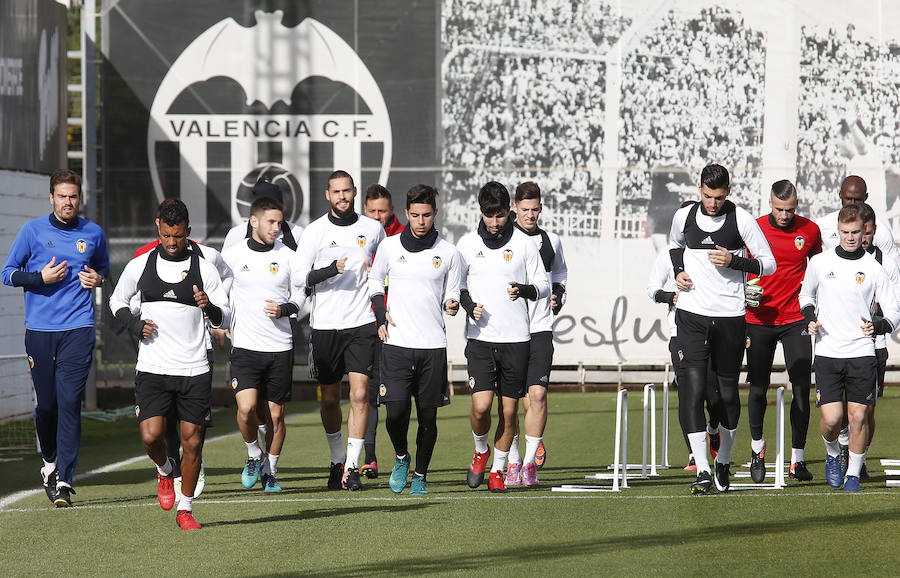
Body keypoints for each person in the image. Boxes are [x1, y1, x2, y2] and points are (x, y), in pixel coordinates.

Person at [109, 199, 230, 529]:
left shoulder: (204, 267)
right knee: (151, 437)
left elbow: (226, 313)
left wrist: (211, 308)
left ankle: (186, 508)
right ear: (158, 229)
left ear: (188, 232)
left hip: (194, 369)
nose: (172, 243)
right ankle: (165, 470)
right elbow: (116, 301)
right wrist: (135, 326)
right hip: (152, 367)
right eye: (166, 236)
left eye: (178, 236)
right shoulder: (140, 265)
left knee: (192, 441)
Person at [1, 169, 109, 507]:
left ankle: (64, 479)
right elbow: (7, 274)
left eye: (73, 196)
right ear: (51, 198)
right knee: (47, 406)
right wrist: (40, 278)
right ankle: (49, 464)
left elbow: (104, 269)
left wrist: (98, 279)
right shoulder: (32, 231)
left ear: (80, 198)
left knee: (69, 403)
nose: (68, 202)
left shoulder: (93, 233)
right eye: (62, 196)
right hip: (40, 332)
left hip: (78, 329)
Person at [668, 164, 775, 493]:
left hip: (730, 317)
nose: (712, 203)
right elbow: (673, 246)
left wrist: (736, 262)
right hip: (691, 315)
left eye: (718, 196)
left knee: (727, 396)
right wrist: (678, 271)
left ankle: (723, 460)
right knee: (694, 389)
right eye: (706, 195)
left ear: (728, 191)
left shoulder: (740, 219)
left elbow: (768, 263)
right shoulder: (683, 216)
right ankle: (701, 467)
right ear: (698, 188)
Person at [799, 204, 900, 491]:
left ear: (864, 232)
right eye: (845, 232)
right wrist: (810, 317)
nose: (851, 237)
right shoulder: (820, 262)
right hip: (828, 351)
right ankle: (833, 454)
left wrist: (880, 325)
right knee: (832, 420)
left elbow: (894, 310)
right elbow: (805, 295)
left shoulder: (874, 268)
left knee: (858, 417)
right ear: (838, 232)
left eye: (856, 232)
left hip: (862, 353)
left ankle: (853, 475)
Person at [368, 184, 461, 495]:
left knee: (428, 418)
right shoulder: (389, 247)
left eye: (427, 215)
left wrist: (452, 304)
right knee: (394, 414)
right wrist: (381, 315)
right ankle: (401, 457)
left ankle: (420, 474)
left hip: (433, 346)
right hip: (395, 345)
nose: (421, 221)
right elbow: (374, 283)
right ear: (406, 214)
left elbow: (452, 295)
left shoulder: (449, 253)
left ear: (435, 214)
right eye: (415, 215)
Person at [295, 170, 385, 490]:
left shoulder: (373, 229)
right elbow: (300, 278)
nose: (342, 197)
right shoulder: (314, 232)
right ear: (327, 195)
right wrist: (331, 270)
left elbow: (385, 269)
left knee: (360, 394)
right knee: (330, 399)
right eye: (336, 192)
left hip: (361, 324)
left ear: (355, 192)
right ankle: (336, 460)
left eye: (347, 191)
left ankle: (352, 467)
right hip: (325, 327)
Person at [456, 181, 549, 493]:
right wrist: (468, 306)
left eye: (499, 215)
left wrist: (522, 290)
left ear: (509, 211)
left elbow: (543, 285)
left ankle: (498, 469)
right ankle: (480, 449)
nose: (494, 223)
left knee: (509, 411)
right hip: (480, 339)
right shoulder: (467, 244)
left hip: (517, 339)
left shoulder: (525, 244)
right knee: (481, 406)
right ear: (481, 213)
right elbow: (456, 286)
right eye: (488, 216)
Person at [221, 195, 305, 493]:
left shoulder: (289, 256)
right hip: (245, 347)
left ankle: (270, 471)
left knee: (276, 415)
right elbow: (220, 296)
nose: (276, 228)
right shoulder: (231, 255)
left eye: (279, 223)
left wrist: (285, 309)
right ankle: (254, 454)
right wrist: (219, 325)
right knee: (246, 410)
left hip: (280, 347)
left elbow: (300, 295)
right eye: (270, 222)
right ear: (253, 221)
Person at [744, 180, 822, 483]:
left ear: (797, 205)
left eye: (790, 210)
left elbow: (817, 267)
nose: (785, 215)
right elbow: (738, 264)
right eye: (779, 209)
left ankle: (797, 460)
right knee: (758, 388)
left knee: (802, 388)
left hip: (795, 320)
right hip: (759, 319)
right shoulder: (754, 227)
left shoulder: (810, 231)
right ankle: (757, 449)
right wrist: (744, 291)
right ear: (770, 204)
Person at [502, 181, 567, 486]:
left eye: (535, 209)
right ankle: (513, 460)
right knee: (511, 403)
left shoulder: (550, 240)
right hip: (510, 331)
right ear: (514, 207)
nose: (530, 214)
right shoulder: (504, 240)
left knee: (538, 395)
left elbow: (561, 274)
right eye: (524, 209)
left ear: (541, 208)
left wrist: (559, 293)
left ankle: (529, 465)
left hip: (540, 328)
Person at [647, 245, 723, 471]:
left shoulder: (716, 250)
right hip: (680, 334)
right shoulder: (669, 254)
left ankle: (713, 427)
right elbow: (652, 289)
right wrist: (672, 297)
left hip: (715, 330)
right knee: (688, 392)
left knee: (715, 395)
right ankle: (694, 454)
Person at [360, 184, 405, 479]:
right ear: (365, 210)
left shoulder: (405, 236)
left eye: (382, 211)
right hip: (367, 324)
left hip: (401, 328)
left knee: (399, 400)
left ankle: (403, 456)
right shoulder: (356, 236)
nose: (377, 217)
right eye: (372, 211)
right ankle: (371, 458)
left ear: (392, 211)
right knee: (369, 394)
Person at [857, 203, 900, 481]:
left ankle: (858, 459)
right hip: (842, 344)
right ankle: (842, 453)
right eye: (859, 231)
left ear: (873, 231)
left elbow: (894, 302)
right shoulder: (834, 260)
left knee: (868, 409)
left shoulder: (884, 261)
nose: (862, 238)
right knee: (844, 409)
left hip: (875, 345)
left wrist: (880, 320)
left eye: (868, 232)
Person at [222, 178, 304, 251]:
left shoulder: (297, 233)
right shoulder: (237, 234)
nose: (276, 228)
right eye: (265, 207)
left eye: (276, 207)